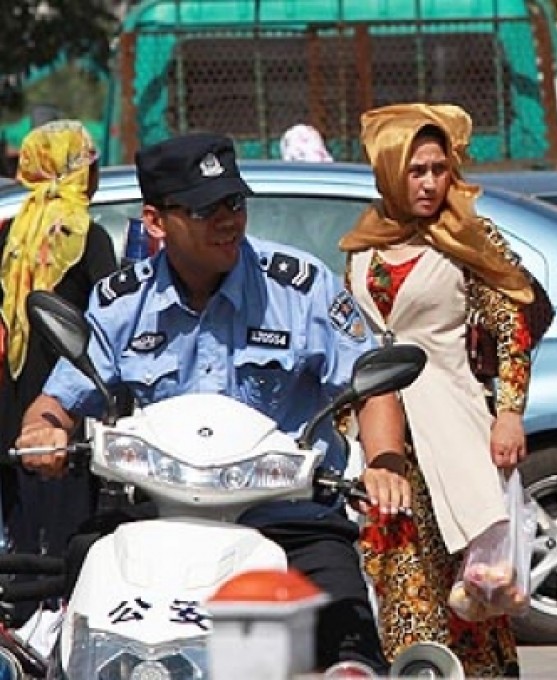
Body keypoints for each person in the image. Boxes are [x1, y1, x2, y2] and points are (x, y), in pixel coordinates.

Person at [13, 132, 410, 672]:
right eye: (205, 209)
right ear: (156, 221)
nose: (227, 220)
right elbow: (57, 401)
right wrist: (44, 430)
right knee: (76, 606)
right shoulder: (121, 302)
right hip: (157, 520)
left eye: (234, 202)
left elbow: (374, 385)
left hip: (287, 519)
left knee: (352, 655)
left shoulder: (299, 289)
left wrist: (385, 464)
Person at [339, 103, 534, 677]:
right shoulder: (360, 244)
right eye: (414, 170)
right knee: (401, 584)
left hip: (452, 428)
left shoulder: (466, 234)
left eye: (438, 169)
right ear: (387, 172)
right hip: (383, 441)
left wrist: (510, 413)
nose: (429, 183)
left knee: (473, 592)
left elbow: (511, 326)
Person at [0, 120, 117, 623]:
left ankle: (23, 625)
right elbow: (111, 317)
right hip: (66, 402)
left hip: (14, 395)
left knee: (23, 524)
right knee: (73, 523)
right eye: (89, 163)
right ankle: (69, 623)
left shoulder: (12, 231)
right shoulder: (84, 233)